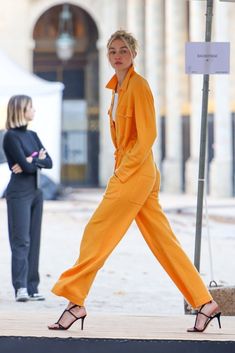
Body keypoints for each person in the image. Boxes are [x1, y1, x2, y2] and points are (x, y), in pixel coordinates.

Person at [48, 30, 221, 332]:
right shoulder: (117, 89)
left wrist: (122, 173)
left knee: (97, 231)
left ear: (134, 55)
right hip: (135, 171)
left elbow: (147, 136)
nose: (118, 55)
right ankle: (204, 301)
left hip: (134, 172)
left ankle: (75, 301)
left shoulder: (139, 87)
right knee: (163, 242)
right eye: (113, 50)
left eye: (124, 50)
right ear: (108, 56)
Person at [3, 95, 53, 302]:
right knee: (21, 241)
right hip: (18, 194)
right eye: (31, 107)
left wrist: (29, 159)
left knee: (34, 241)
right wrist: (34, 159)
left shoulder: (33, 134)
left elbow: (48, 162)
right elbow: (29, 167)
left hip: (36, 192)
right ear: (21, 110)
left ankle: (33, 288)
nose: (34, 111)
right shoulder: (10, 137)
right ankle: (20, 288)